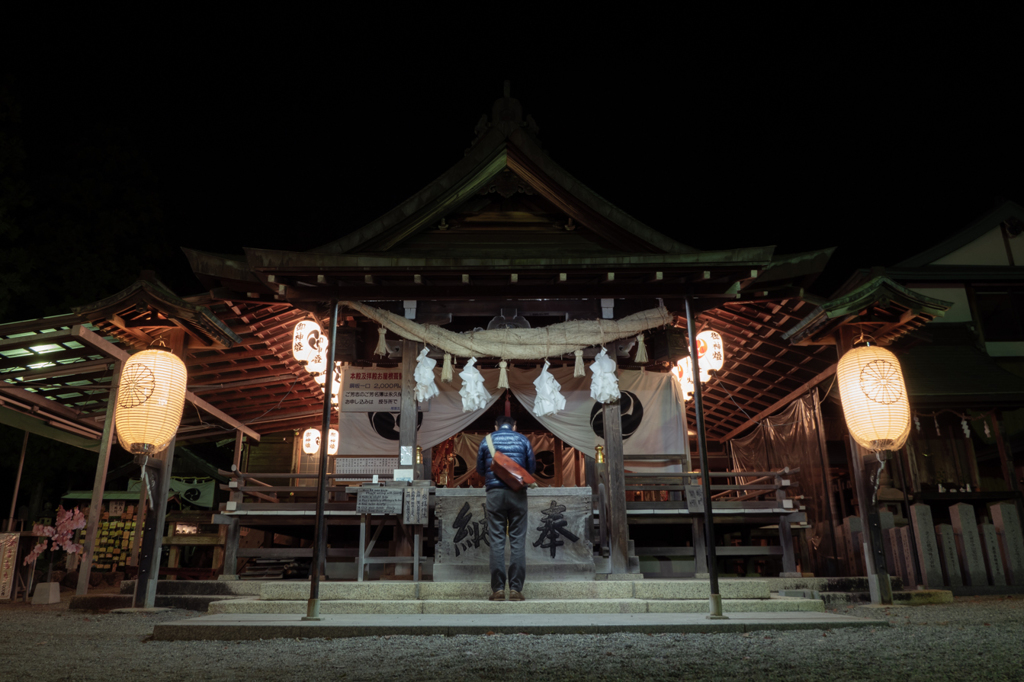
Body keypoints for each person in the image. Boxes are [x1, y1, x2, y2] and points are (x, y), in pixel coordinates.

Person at [476, 415, 536, 601]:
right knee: (517, 541)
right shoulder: (523, 440)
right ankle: (516, 590)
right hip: (517, 494)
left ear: (496, 425)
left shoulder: (487, 440)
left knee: (497, 541)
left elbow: (480, 470)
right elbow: (531, 468)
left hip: (494, 495)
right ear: (514, 426)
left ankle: (498, 589)